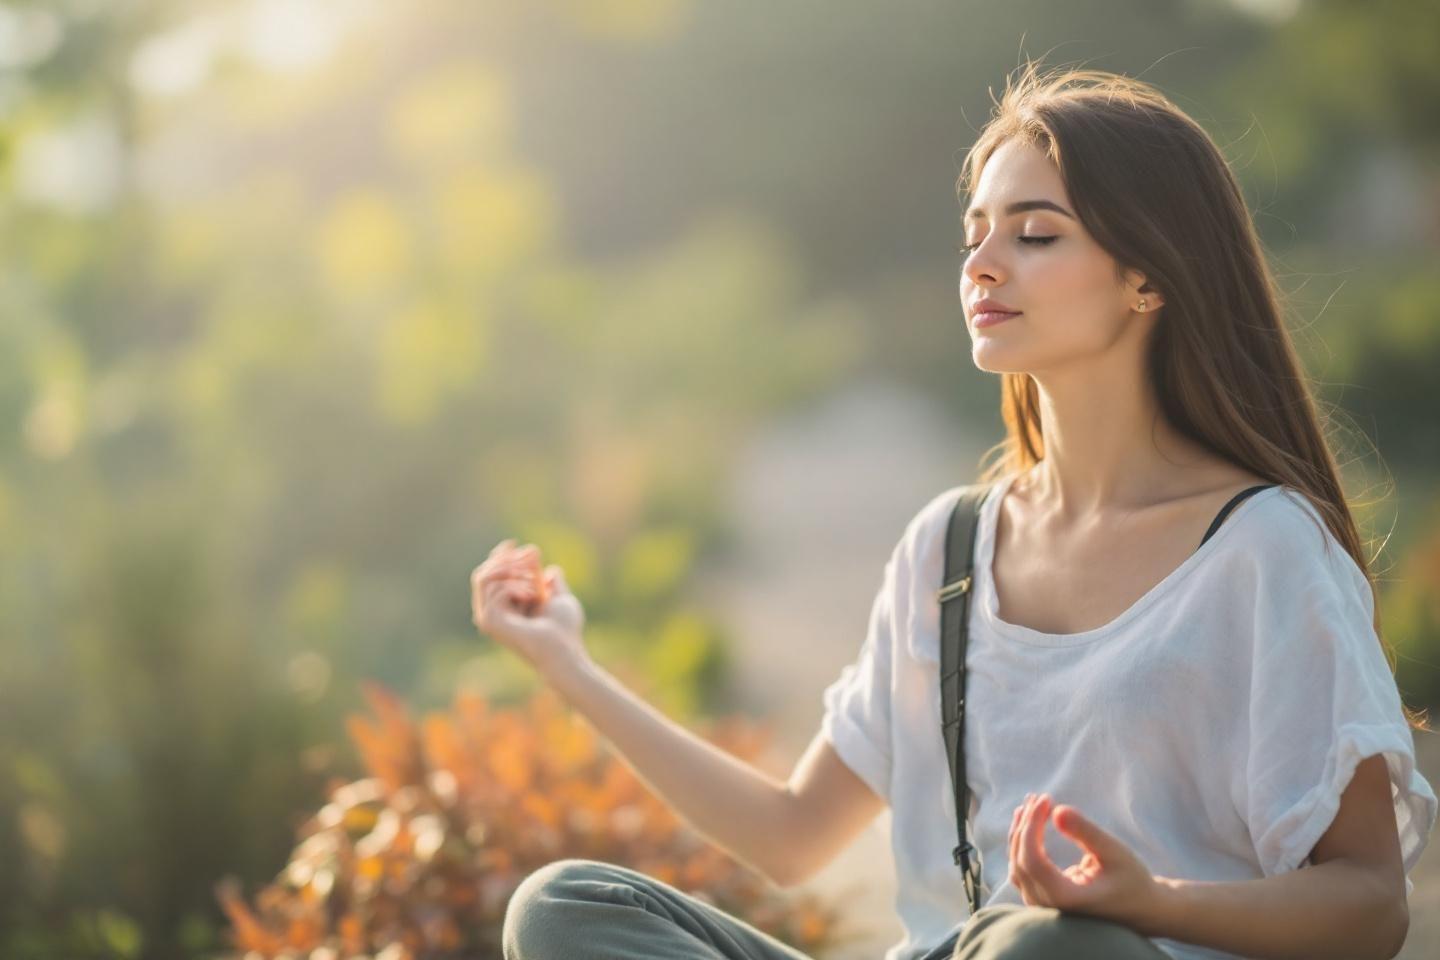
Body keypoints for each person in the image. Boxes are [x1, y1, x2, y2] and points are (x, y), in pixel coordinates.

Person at [471, 61, 1437, 960]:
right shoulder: (951, 545)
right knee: (565, 907)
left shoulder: (1265, 550)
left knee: (1053, 944)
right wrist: (567, 661)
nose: (982, 264)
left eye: (1035, 233)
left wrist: (1152, 901)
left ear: (1149, 277)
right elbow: (792, 834)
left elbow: (1370, 903)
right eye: (975, 233)